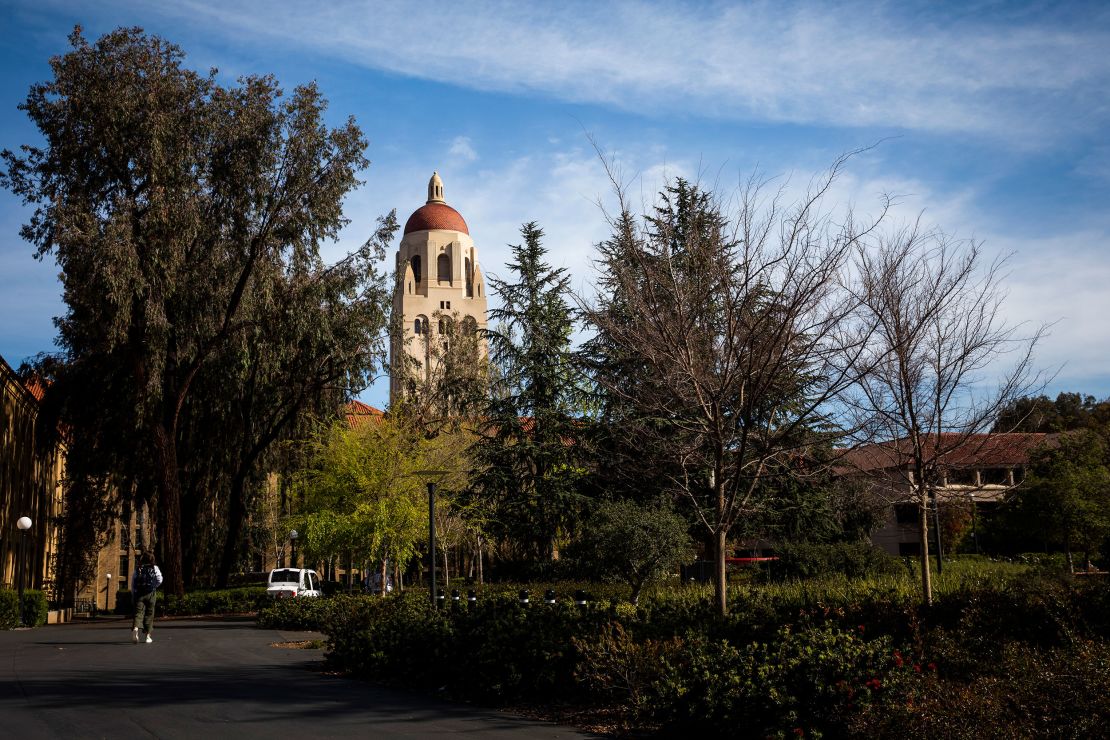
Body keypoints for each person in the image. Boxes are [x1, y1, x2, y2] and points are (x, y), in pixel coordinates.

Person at [130, 552, 163, 644]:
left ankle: (136, 628)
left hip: (139, 594)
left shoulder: (138, 568)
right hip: (151, 593)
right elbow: (160, 579)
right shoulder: (154, 568)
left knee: (138, 613)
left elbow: (133, 583)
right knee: (149, 613)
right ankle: (148, 636)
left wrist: (133, 593)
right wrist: (154, 586)